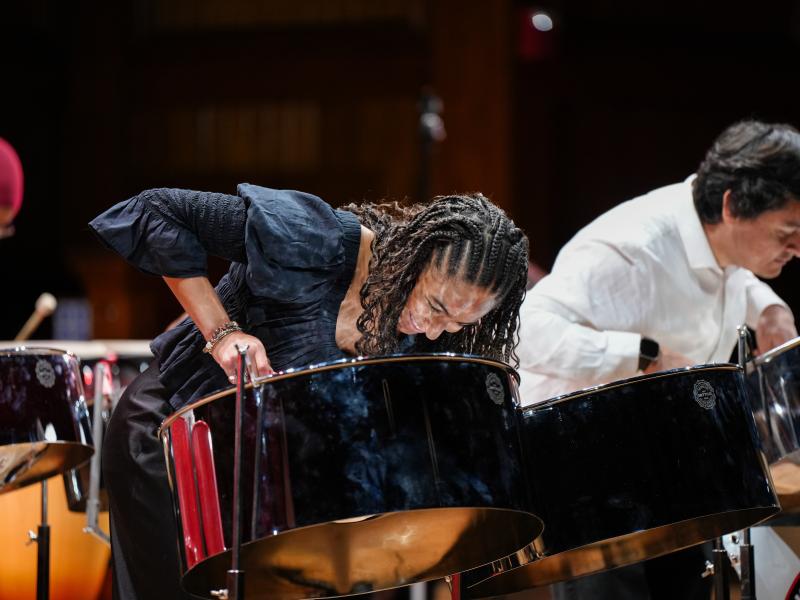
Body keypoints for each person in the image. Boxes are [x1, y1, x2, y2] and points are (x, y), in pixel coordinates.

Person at [88, 184, 529, 600]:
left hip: (259, 484)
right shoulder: (315, 238)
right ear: (415, 256)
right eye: (434, 306)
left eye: (457, 323)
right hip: (172, 444)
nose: (433, 331)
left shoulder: (425, 334)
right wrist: (222, 333)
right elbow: (159, 212)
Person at [517, 119, 800, 599]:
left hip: (674, 474)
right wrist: (642, 355)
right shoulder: (630, 250)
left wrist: (769, 308)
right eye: (787, 232)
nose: (796, 248)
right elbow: (526, 331)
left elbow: (733, 273)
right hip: (590, 486)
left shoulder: (719, 237)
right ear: (732, 205)